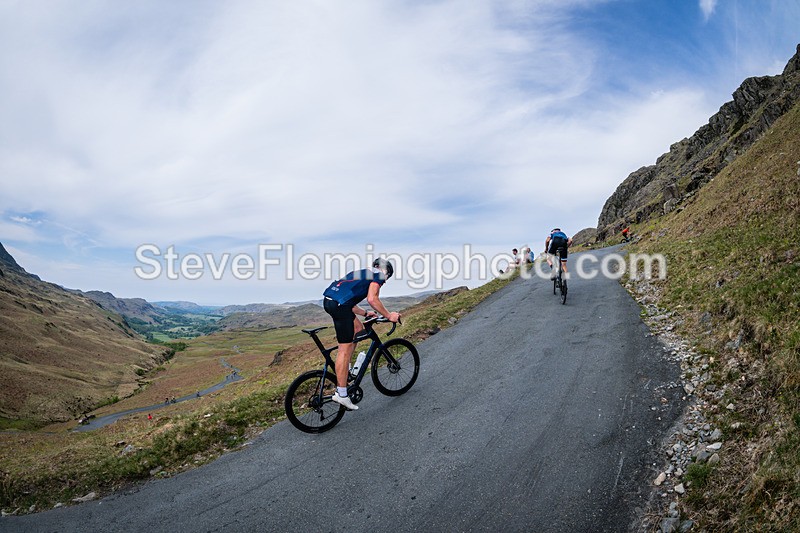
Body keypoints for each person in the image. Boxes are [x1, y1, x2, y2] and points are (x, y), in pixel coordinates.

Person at [323, 258, 400, 411]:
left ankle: (348, 370)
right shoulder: (378, 275)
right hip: (340, 307)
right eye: (388, 277)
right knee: (343, 350)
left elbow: (348, 298)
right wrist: (389, 315)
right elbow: (372, 298)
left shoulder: (362, 272)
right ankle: (342, 394)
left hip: (330, 300)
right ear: (386, 272)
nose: (385, 280)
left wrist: (365, 313)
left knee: (358, 329)